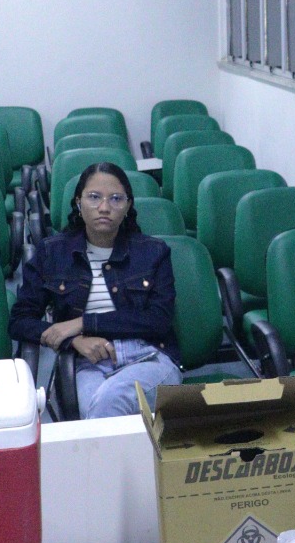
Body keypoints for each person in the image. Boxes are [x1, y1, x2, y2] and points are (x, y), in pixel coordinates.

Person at [10, 162, 182, 418]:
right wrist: (73, 339)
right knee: (99, 406)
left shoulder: (153, 252)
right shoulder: (52, 253)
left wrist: (82, 323)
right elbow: (20, 321)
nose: (104, 207)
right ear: (78, 203)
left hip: (148, 357)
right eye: (94, 197)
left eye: (116, 199)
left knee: (110, 401)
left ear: (127, 206)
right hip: (85, 362)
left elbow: (158, 321)